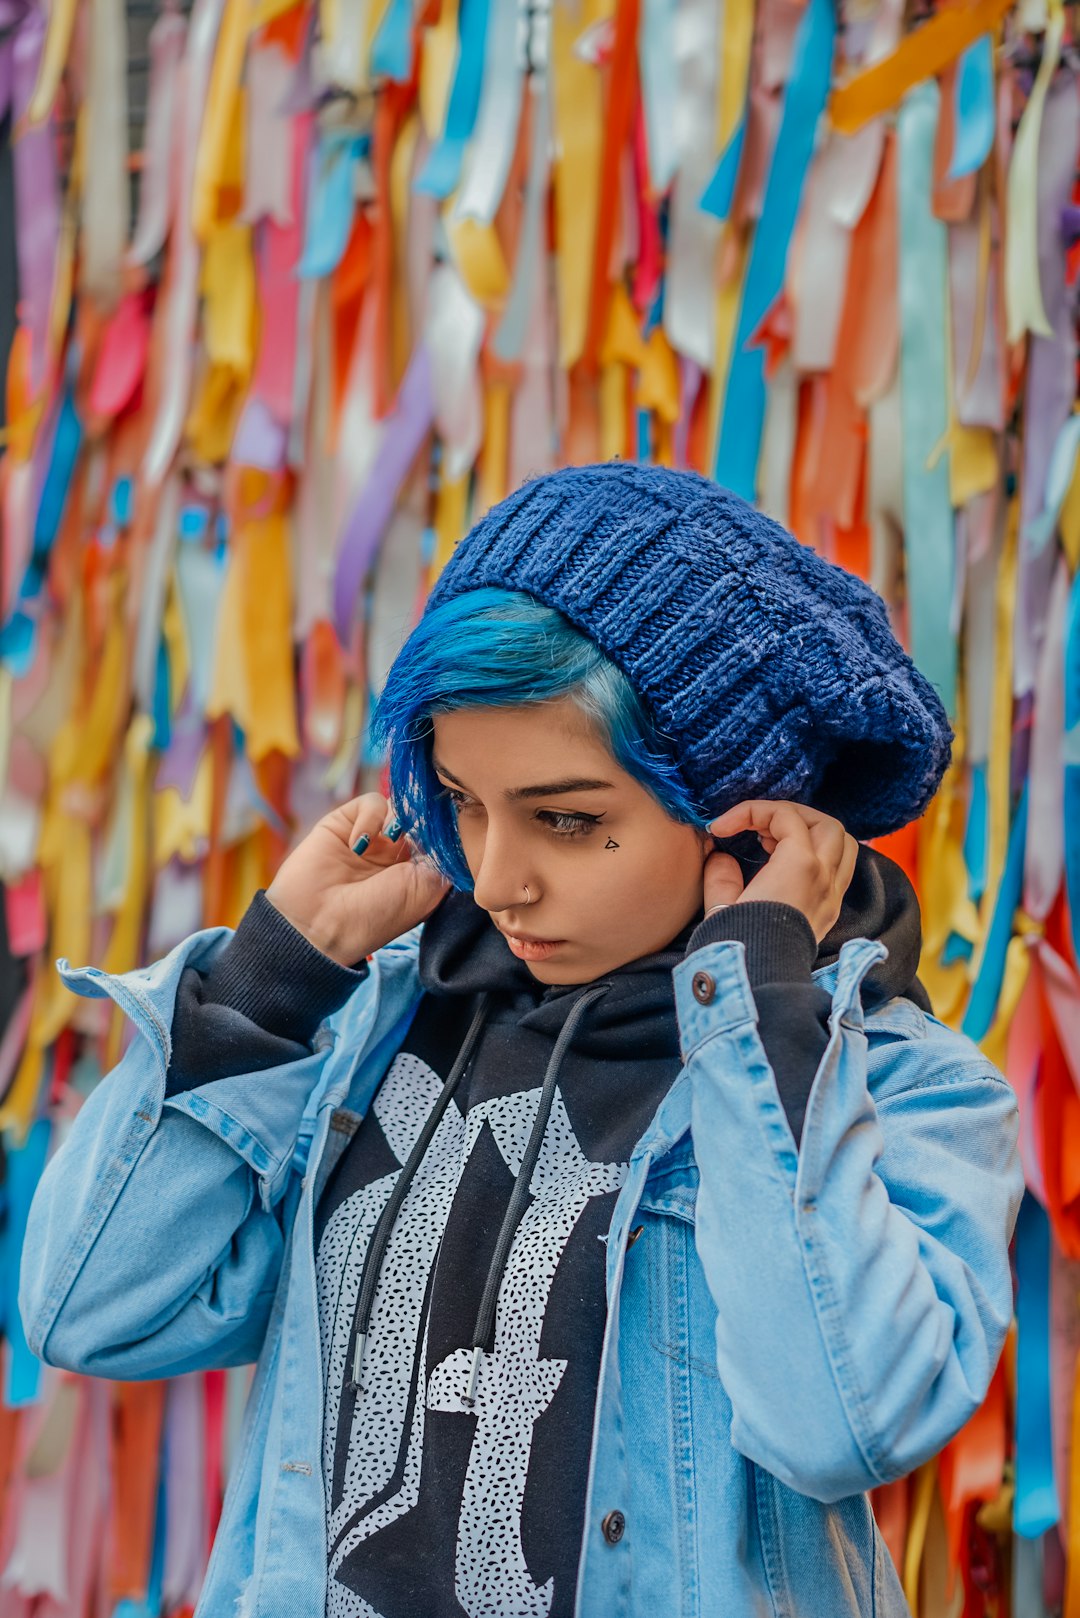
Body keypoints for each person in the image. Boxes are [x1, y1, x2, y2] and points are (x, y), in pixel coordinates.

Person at [20, 462, 1023, 1618]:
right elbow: (89, 1306)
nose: (495, 879)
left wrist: (757, 1017)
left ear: (743, 820)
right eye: (459, 798)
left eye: (565, 819)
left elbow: (844, 1420)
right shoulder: (370, 1029)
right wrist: (268, 980)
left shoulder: (908, 1090)